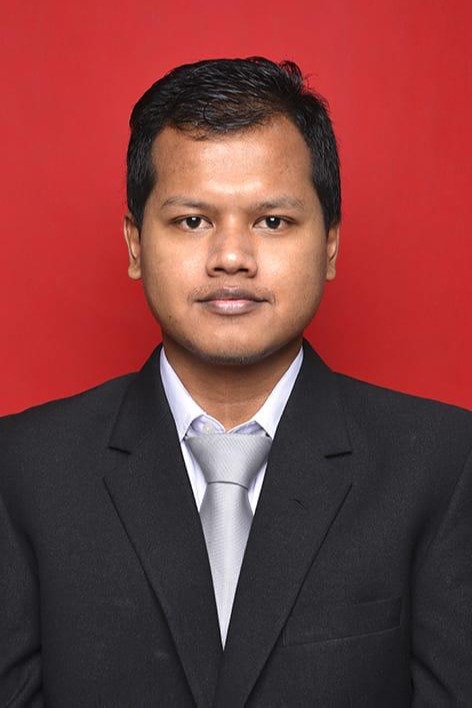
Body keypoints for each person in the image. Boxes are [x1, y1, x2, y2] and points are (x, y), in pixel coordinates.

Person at [0, 57, 471, 708]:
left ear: (330, 243)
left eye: (272, 221)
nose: (231, 257)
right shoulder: (22, 469)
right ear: (135, 243)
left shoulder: (444, 465)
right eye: (192, 220)